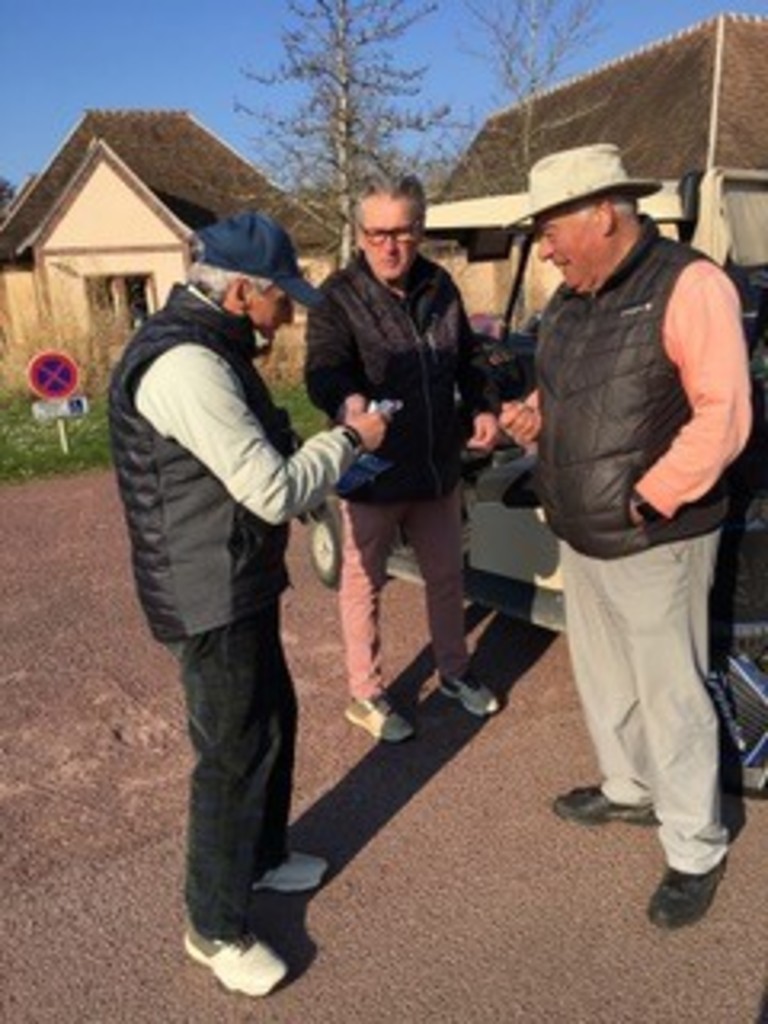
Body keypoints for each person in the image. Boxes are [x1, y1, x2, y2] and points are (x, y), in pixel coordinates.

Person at [108, 211, 388, 998]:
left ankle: (261, 858)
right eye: (281, 296)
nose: (289, 311)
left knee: (271, 720)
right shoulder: (185, 365)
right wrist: (352, 442)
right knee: (230, 753)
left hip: (234, 575)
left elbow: (257, 456)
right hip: (206, 591)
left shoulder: (217, 348)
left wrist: (317, 454)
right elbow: (267, 488)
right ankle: (214, 926)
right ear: (240, 292)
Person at [500, 144, 752, 929]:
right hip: (581, 527)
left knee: (671, 695)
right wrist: (532, 418)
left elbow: (725, 412)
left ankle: (695, 846)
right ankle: (630, 790)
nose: (545, 249)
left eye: (550, 230)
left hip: (656, 535)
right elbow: (565, 393)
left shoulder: (690, 284)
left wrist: (651, 496)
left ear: (602, 215)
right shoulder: (570, 299)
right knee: (605, 679)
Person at [304, 173, 501, 742]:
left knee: (446, 576)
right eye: (377, 234)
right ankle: (365, 693)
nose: (389, 246)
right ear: (360, 234)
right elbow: (323, 367)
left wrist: (484, 406)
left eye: (402, 233)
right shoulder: (338, 296)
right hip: (374, 470)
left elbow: (469, 358)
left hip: (437, 466)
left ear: (421, 229)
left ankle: (455, 672)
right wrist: (347, 400)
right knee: (363, 582)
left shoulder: (441, 286)